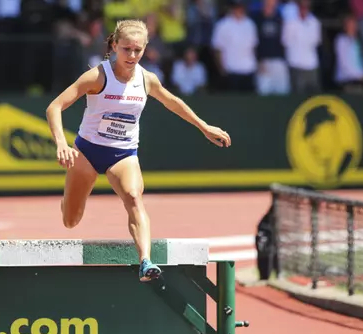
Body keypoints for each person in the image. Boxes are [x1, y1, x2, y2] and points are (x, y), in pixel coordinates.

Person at [46, 19, 231, 282]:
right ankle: (68, 200)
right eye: (126, 49)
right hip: (87, 151)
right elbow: (54, 106)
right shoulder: (98, 76)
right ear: (114, 46)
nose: (132, 56)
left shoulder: (147, 79)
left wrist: (203, 126)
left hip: (123, 153)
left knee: (133, 196)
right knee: (71, 221)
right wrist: (61, 143)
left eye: (138, 50)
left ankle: (145, 260)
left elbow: (172, 102)